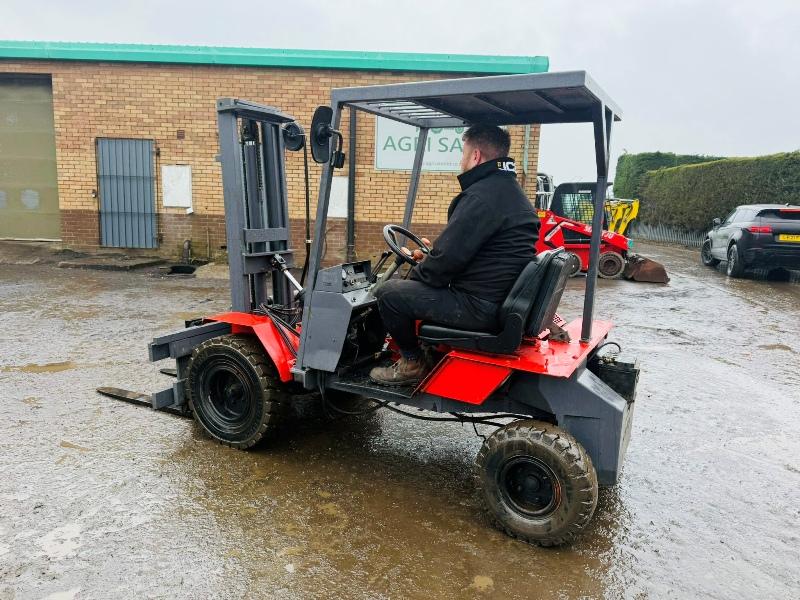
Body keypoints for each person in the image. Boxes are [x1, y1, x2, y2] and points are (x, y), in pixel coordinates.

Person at [370, 124, 539, 385]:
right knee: (412, 286)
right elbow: (465, 254)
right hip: (496, 299)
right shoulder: (514, 195)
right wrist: (430, 258)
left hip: (478, 306)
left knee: (389, 293)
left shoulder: (481, 197)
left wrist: (418, 274)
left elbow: (445, 264)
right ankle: (426, 348)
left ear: (476, 156)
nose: (461, 161)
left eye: (463, 153)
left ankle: (411, 362)